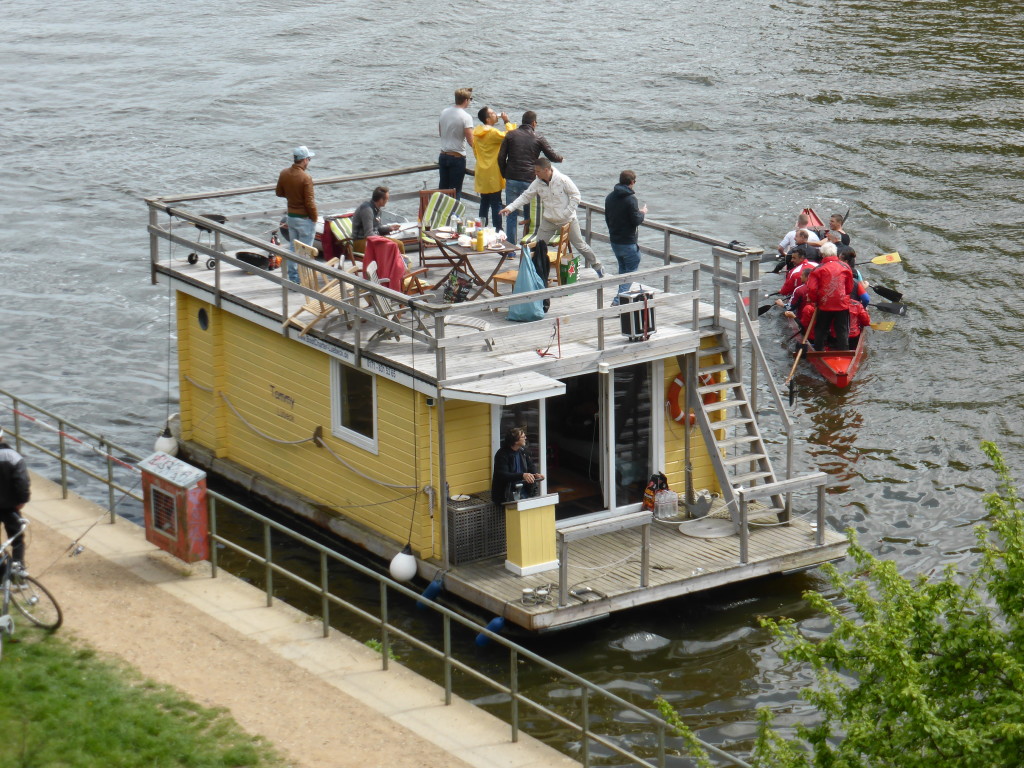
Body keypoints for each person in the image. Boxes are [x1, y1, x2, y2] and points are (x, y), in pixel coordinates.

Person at [499, 158, 605, 277]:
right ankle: (537, 272)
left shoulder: (563, 180)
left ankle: (598, 266)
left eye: (538, 171)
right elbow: (525, 196)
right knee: (539, 246)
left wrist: (566, 213)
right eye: (535, 171)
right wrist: (510, 207)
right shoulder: (537, 182)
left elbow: (576, 196)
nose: (536, 174)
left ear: (546, 170)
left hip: (567, 220)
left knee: (580, 245)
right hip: (548, 220)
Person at [497, 111, 563, 244]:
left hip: (512, 179)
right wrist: (561, 159)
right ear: (533, 123)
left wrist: (505, 173)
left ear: (522, 122)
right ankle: (527, 248)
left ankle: (510, 250)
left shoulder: (511, 134)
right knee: (531, 215)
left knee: (511, 213)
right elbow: (551, 156)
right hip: (530, 181)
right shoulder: (538, 137)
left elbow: (501, 157)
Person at [275, 145, 318, 283]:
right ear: (304, 160)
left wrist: (291, 195)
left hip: (291, 217)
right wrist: (315, 218)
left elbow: (279, 192)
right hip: (305, 218)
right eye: (309, 159)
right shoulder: (306, 178)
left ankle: (294, 278)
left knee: (293, 249)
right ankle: (304, 280)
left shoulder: (284, 173)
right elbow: (309, 202)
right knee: (305, 252)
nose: (309, 162)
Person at [472, 106, 516, 232]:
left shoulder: (477, 132)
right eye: (492, 113)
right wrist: (507, 121)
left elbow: (475, 151)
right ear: (487, 119)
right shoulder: (492, 132)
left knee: (484, 202)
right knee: (496, 202)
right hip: (493, 171)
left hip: (481, 170)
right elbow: (510, 136)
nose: (495, 114)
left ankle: (481, 229)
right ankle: (498, 230)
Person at [805, 241, 854, 351]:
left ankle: (819, 350)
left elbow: (812, 288)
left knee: (821, 329)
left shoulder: (818, 269)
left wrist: (815, 300)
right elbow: (849, 288)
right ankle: (844, 352)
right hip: (841, 304)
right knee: (842, 330)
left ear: (822, 254)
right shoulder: (845, 266)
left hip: (824, 304)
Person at [604, 170, 648, 275]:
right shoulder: (631, 199)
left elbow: (607, 218)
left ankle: (622, 290)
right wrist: (642, 213)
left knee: (623, 269)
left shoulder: (610, 197)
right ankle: (622, 292)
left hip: (615, 240)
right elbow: (636, 220)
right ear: (632, 182)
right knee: (631, 271)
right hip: (628, 242)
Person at [0, 428, 30, 571]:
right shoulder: (13, 457)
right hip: (10, 507)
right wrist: (22, 500)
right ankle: (18, 572)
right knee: (17, 538)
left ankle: (1, 572)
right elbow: (22, 481)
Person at [438, 87, 475, 200]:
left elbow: (440, 132)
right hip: (457, 157)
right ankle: (454, 217)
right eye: (470, 99)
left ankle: (441, 216)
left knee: (443, 190)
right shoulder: (466, 117)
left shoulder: (444, 112)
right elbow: (470, 140)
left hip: (443, 155)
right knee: (455, 191)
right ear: (466, 100)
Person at [490, 427, 544, 504]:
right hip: (506, 495)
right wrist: (522, 475)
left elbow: (531, 466)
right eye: (523, 436)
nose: (526, 438)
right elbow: (503, 475)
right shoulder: (502, 454)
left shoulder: (523, 451)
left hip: (524, 492)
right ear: (515, 441)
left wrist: (536, 475)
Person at [352, 186, 403, 255]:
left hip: (372, 239)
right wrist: (383, 239)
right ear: (381, 200)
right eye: (387, 199)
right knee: (393, 245)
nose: (387, 201)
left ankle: (397, 265)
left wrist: (390, 228)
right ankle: (394, 265)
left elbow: (377, 228)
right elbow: (369, 234)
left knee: (399, 244)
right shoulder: (367, 209)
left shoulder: (377, 209)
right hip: (361, 241)